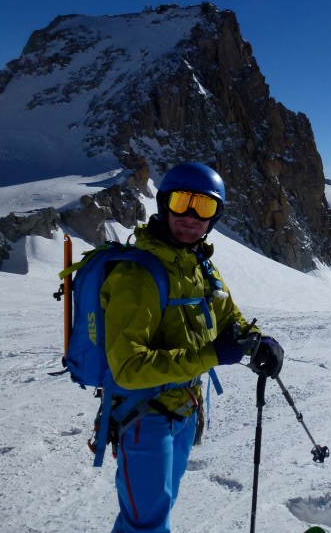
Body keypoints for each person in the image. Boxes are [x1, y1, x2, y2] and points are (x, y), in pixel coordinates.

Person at [100, 161, 284, 533]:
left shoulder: (199, 266)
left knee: (157, 509)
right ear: (165, 203)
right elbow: (128, 367)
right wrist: (213, 355)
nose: (191, 216)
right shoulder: (138, 275)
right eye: (183, 202)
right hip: (144, 417)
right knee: (145, 523)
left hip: (183, 412)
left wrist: (259, 339)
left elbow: (230, 316)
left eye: (205, 207)